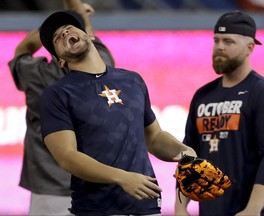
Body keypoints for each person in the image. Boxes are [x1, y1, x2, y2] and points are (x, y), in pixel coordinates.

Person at [38, 8, 197, 215]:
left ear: (89, 35)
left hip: (146, 205)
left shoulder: (132, 80)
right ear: (60, 60)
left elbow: (155, 137)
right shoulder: (58, 94)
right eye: (58, 38)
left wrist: (186, 152)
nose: (65, 33)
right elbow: (67, 157)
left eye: (69, 28)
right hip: (95, 209)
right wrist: (122, 177)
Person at [174, 11, 264, 216]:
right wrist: (180, 207)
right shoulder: (203, 96)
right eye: (216, 40)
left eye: (228, 41)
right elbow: (189, 155)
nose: (219, 47)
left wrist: (252, 210)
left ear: (249, 47)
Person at [8, 1, 115, 215]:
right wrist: (78, 17)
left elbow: (22, 50)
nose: (66, 34)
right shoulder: (106, 67)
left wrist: (50, 30)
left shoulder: (37, 74)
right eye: (59, 35)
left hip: (50, 193)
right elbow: (91, 41)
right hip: (97, 189)